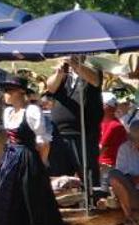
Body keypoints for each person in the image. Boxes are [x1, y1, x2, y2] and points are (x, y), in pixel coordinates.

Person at [0, 73, 70, 225]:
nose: (5, 94)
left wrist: (40, 164)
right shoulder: (8, 113)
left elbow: (44, 142)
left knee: (36, 205)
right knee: (8, 205)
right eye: (4, 90)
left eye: (9, 91)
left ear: (20, 92)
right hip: (10, 160)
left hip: (27, 160)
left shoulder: (32, 111)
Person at [43, 54, 104, 186]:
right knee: (59, 178)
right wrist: (60, 72)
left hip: (83, 134)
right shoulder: (63, 76)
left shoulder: (91, 70)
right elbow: (51, 87)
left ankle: (92, 201)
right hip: (59, 134)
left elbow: (96, 80)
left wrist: (76, 65)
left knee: (88, 176)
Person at [97, 90, 128, 173]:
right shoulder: (102, 123)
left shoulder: (114, 126)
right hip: (100, 164)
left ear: (105, 107)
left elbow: (100, 149)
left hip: (108, 167)